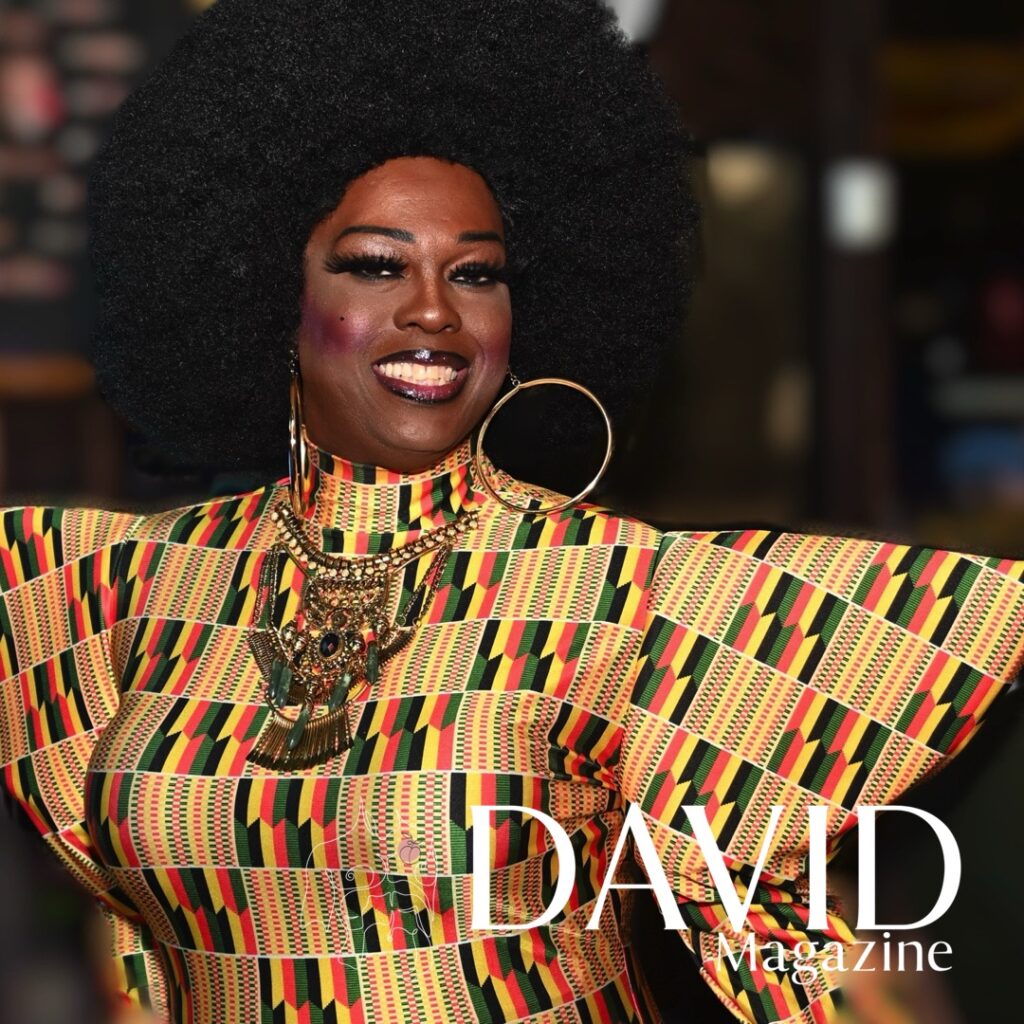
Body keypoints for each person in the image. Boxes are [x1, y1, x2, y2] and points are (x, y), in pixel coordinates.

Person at [0, 2, 1021, 1022]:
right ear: (265, 291)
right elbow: (130, 950)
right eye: (377, 264)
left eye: (476, 273)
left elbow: (794, 957)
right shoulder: (114, 585)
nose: (434, 309)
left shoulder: (618, 591)